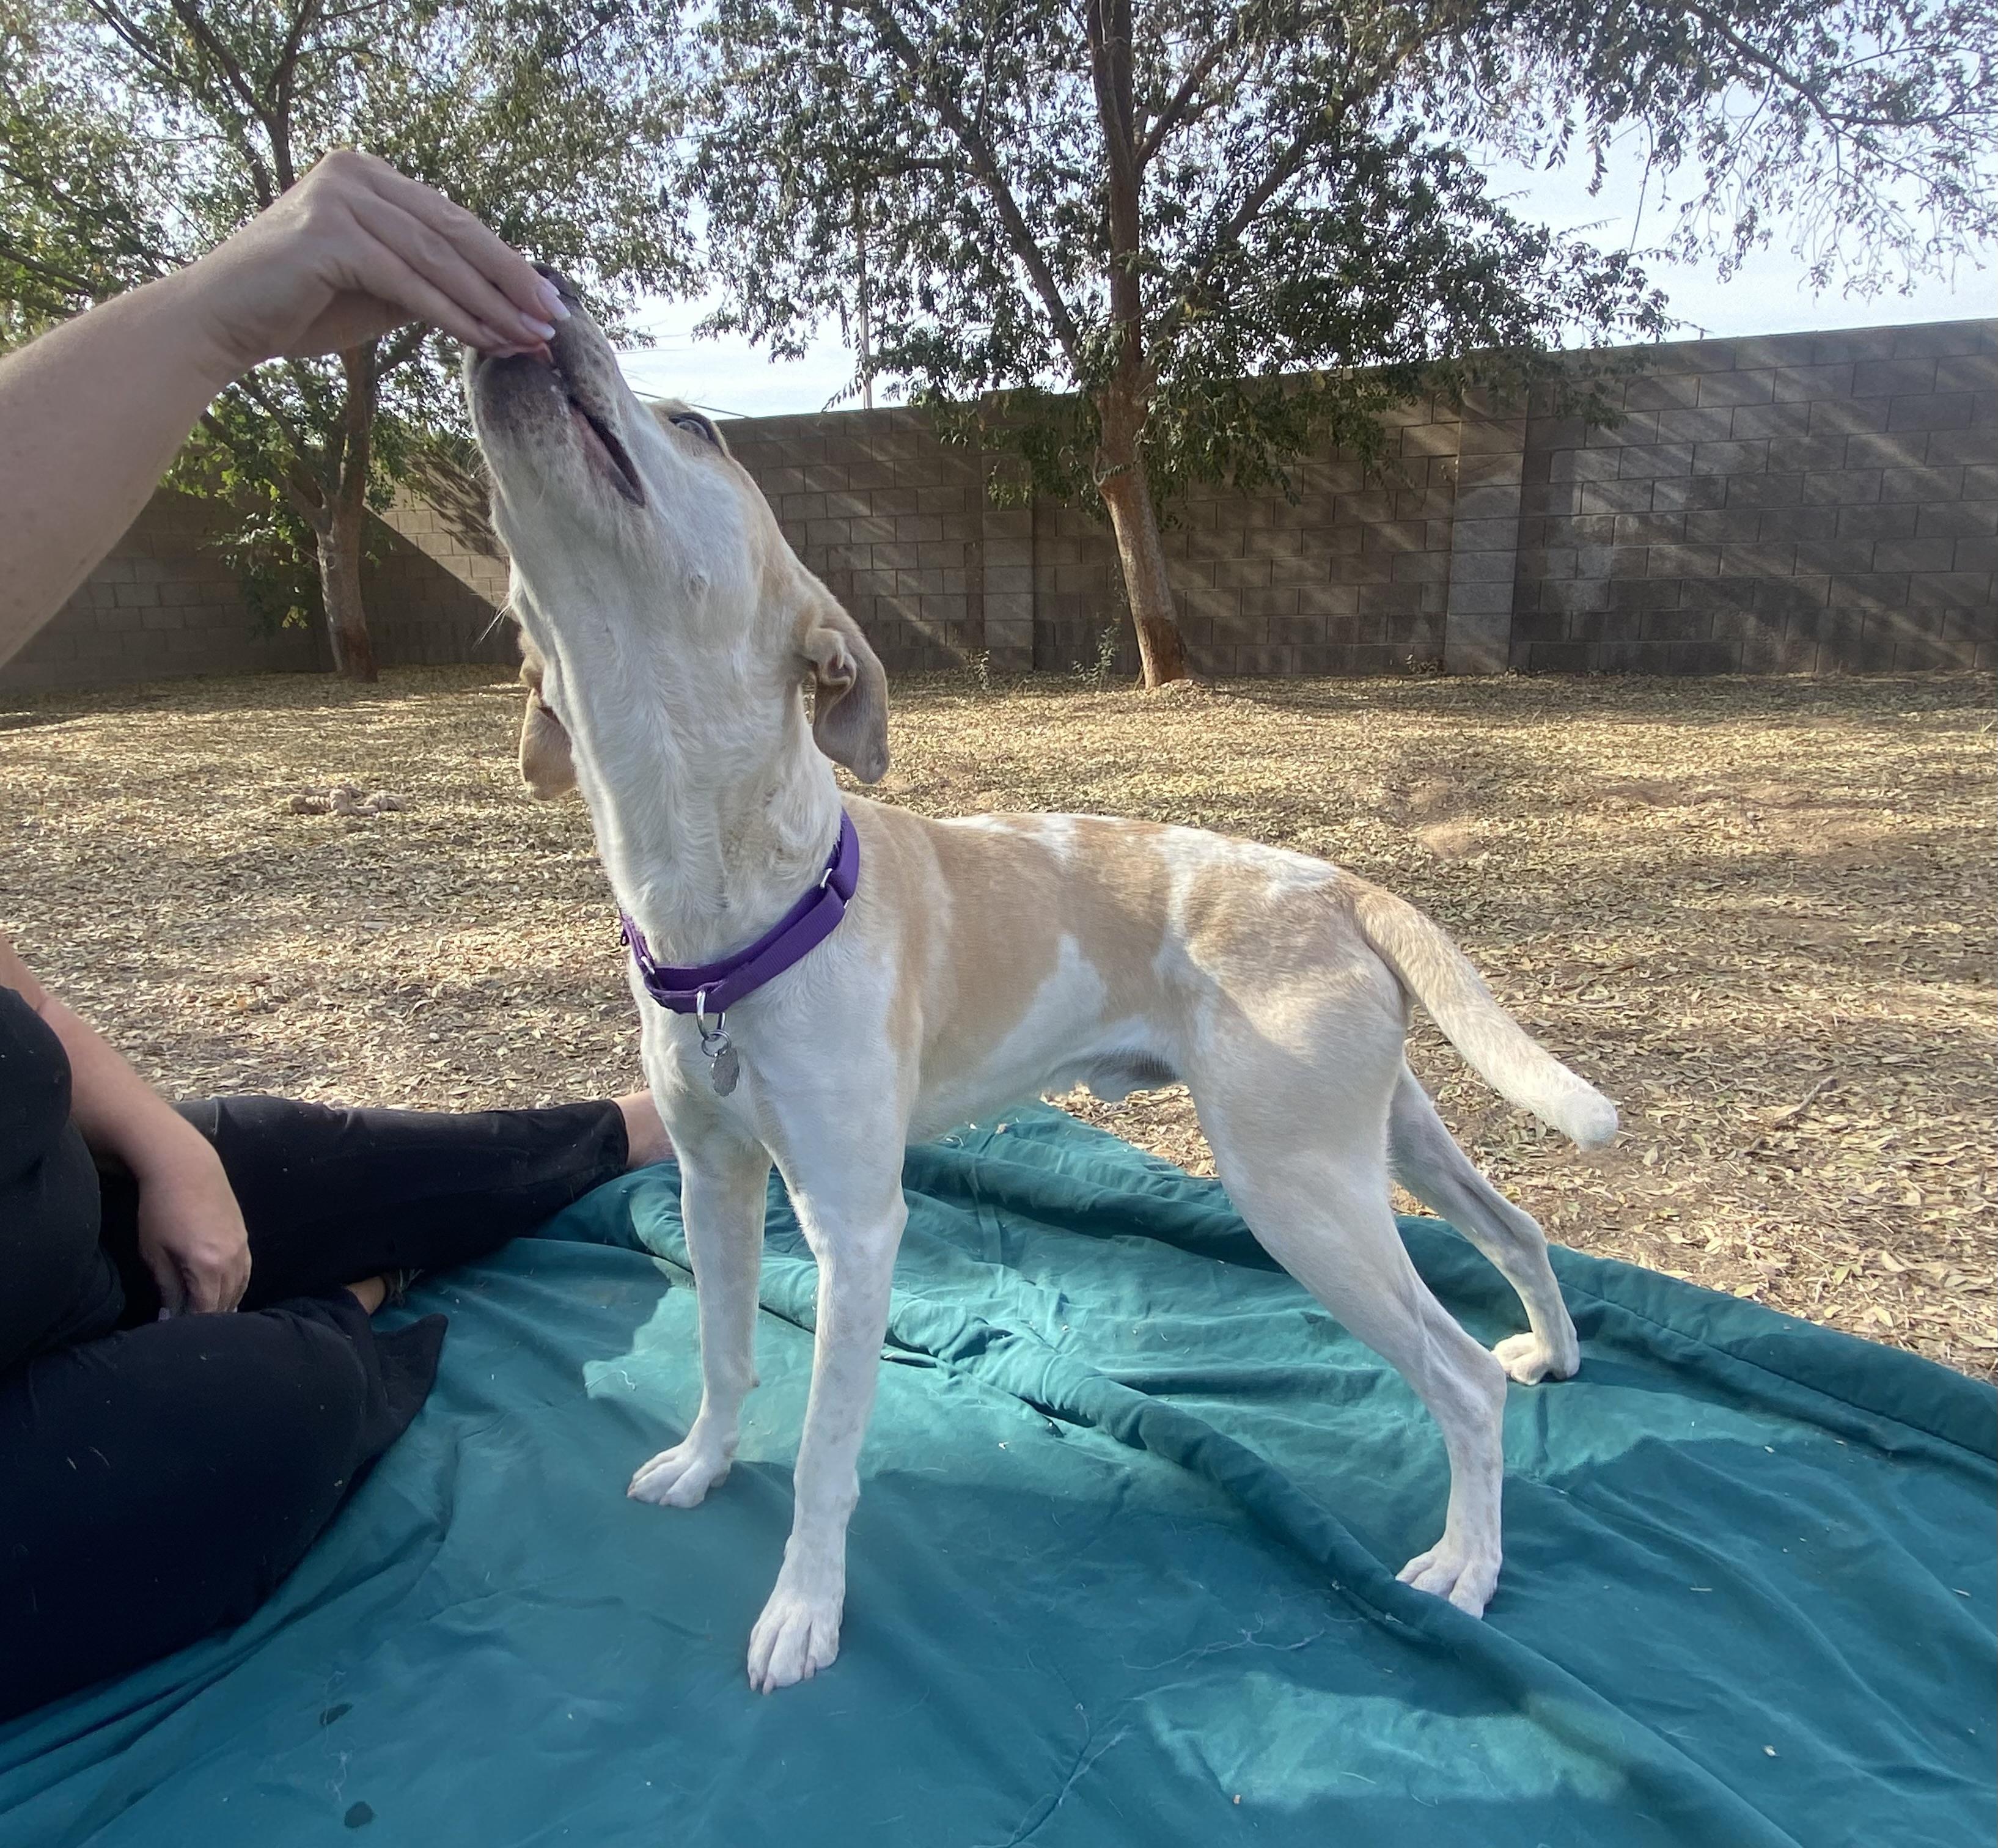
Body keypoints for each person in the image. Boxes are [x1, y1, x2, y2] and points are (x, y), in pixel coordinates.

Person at [0, 152, 667, 1721]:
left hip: (58, 1205)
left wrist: (160, 1141)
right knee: (258, 1417)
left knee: (297, 1147)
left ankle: (647, 1126)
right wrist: (207, 322)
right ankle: (355, 1318)